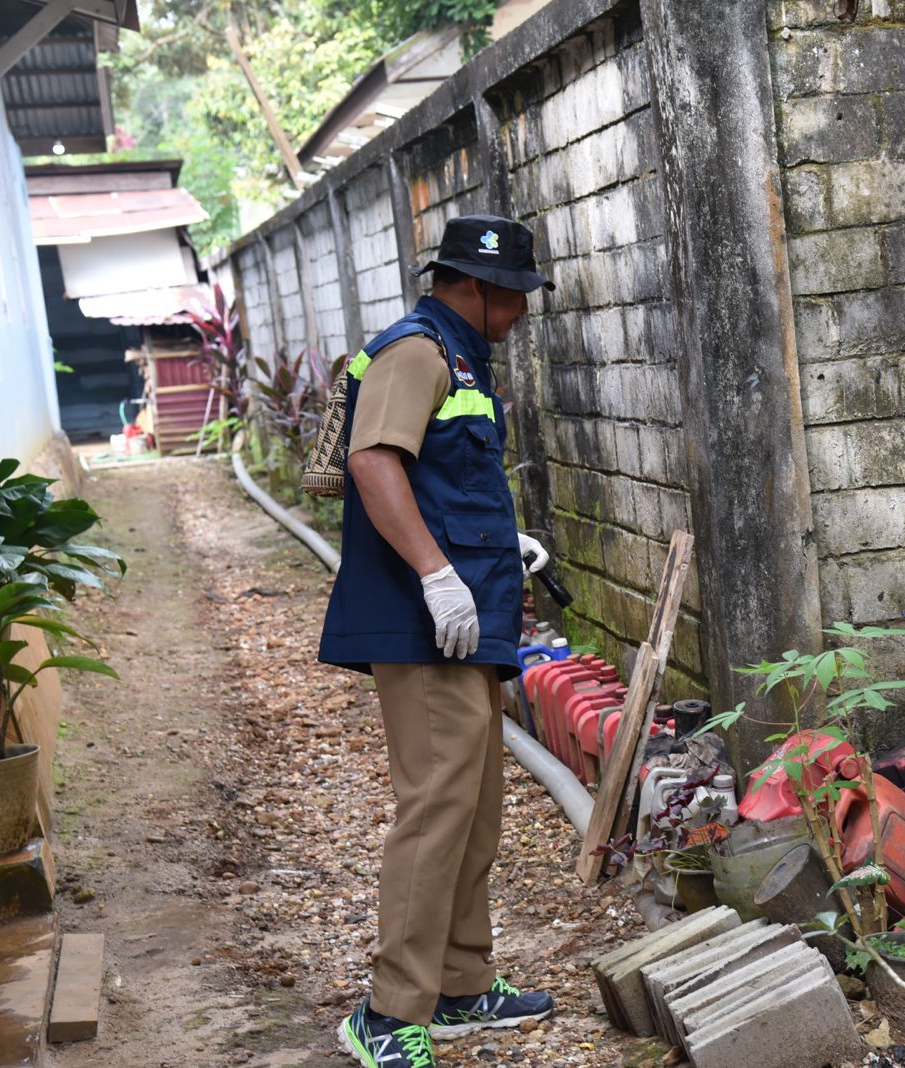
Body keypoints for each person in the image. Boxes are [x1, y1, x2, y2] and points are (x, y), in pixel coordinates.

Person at [319, 215, 557, 1068]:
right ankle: (385, 1014)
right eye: (517, 296)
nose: (523, 313)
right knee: (433, 813)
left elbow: (444, 480)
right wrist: (435, 572)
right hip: (426, 625)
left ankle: (460, 984)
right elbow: (374, 462)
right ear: (477, 287)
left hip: (466, 623)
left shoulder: (459, 358)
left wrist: (500, 547)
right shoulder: (416, 351)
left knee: (475, 808)